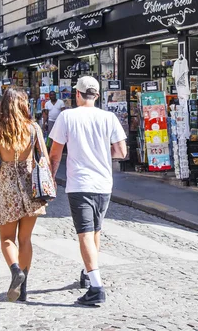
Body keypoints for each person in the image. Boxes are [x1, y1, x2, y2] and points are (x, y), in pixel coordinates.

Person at [49, 76, 127, 306]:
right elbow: (121, 151)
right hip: (104, 184)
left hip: (80, 183)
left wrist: (51, 178)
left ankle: (96, 287)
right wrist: (101, 153)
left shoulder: (67, 116)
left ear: (77, 94)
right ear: (97, 95)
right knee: (95, 231)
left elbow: (55, 153)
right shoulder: (108, 117)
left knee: (84, 232)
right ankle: (88, 271)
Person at [0, 89, 48, 303]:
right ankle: (24, 288)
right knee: (25, 239)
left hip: (8, 186)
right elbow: (45, 159)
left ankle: (15, 272)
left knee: (6, 238)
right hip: (31, 184)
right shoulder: (33, 127)